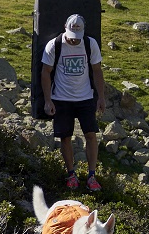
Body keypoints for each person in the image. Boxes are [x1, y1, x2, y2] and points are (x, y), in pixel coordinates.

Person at [41, 13, 106, 190]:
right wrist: (48, 100)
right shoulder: (54, 45)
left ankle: (92, 176)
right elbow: (45, 72)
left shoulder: (89, 43)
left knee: (91, 135)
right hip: (61, 98)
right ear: (65, 28)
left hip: (85, 97)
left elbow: (97, 70)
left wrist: (100, 96)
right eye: (71, 38)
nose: (74, 41)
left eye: (77, 38)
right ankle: (71, 174)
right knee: (65, 137)